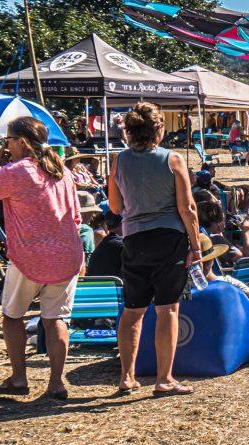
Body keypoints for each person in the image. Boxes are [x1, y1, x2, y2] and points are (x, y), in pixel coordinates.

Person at [0, 116, 84, 400]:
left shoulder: (16, 172)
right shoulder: (62, 171)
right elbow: (77, 217)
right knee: (56, 319)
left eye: (8, 140)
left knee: (12, 316)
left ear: (20, 141)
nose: (6, 146)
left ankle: (19, 378)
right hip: (66, 253)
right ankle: (56, 383)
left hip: (29, 255)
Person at [109, 103, 201, 396]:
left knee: (132, 310)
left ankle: (126, 376)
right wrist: (196, 246)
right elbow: (188, 208)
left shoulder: (119, 161)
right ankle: (164, 379)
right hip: (168, 238)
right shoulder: (172, 160)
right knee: (167, 310)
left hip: (134, 238)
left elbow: (115, 206)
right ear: (158, 129)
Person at [86, 207, 124, 278]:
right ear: (123, 223)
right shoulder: (121, 245)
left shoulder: (104, 243)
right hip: (113, 287)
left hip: (97, 286)